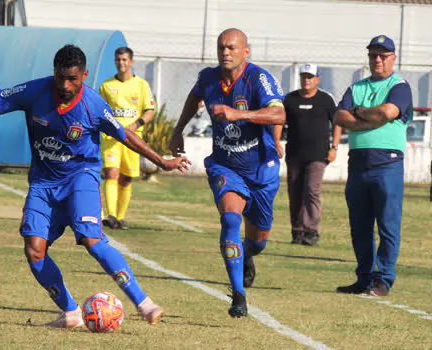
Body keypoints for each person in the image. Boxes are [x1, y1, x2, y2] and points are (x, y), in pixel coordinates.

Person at [0, 45, 190, 327]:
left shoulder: (93, 105)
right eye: (60, 78)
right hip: (43, 183)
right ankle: (71, 313)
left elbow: (126, 136)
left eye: (73, 79)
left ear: (84, 75)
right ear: (53, 73)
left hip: (81, 177)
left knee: (92, 240)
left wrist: (162, 162)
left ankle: (143, 303)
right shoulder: (35, 91)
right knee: (34, 250)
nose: (65, 85)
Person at [169, 28, 285, 317]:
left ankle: (247, 256)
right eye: (221, 47)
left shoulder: (258, 78)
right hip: (225, 165)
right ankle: (238, 296)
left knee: (258, 242)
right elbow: (194, 97)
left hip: (261, 170)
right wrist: (178, 130)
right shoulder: (208, 78)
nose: (226, 52)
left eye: (232, 47)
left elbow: (279, 115)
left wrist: (238, 114)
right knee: (230, 220)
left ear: (246, 52)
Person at [334, 35, 413, 297]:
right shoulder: (357, 87)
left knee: (388, 225)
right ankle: (364, 278)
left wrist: (358, 113)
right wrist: (365, 118)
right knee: (360, 226)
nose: (377, 60)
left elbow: (387, 113)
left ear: (393, 58)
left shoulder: (399, 85)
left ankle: (384, 279)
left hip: (386, 164)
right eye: (373, 55)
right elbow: (339, 115)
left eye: (382, 55)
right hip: (358, 164)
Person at [279, 64, 342, 246]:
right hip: (294, 154)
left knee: (312, 191)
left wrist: (334, 147)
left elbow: (337, 122)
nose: (306, 80)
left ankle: (311, 231)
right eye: (304, 77)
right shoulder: (290, 100)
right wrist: (276, 142)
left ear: (317, 79)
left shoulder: (325, 100)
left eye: (310, 77)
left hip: (318, 155)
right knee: (295, 192)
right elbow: (279, 122)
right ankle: (297, 231)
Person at [99, 47, 155, 230]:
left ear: (131, 62)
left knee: (126, 179)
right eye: (118, 59)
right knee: (111, 173)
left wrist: (135, 125)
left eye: (124, 60)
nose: (121, 63)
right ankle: (111, 216)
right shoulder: (106, 86)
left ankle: (120, 217)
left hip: (133, 139)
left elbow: (150, 111)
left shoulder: (141, 85)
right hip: (111, 138)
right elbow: (99, 111)